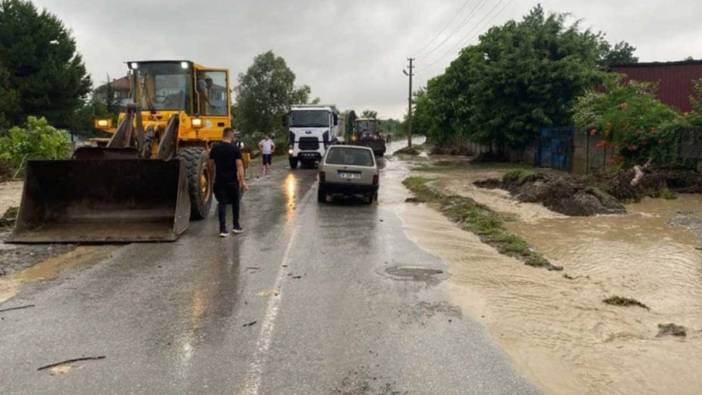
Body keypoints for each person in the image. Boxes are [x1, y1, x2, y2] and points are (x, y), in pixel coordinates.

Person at [209, 128, 249, 237]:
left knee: (221, 204)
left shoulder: (215, 148)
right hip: (232, 181)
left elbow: (211, 165)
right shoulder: (235, 148)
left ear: (223, 135)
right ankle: (236, 226)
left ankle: (223, 230)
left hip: (220, 181)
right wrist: (242, 181)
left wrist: (212, 179)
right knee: (235, 204)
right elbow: (239, 165)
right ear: (231, 136)